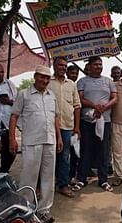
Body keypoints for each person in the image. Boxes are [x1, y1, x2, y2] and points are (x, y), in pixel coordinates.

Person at [9, 65, 63, 223]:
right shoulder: (24, 94)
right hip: (32, 142)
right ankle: (26, 210)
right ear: (35, 76)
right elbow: (13, 116)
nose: (45, 80)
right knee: (28, 178)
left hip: (50, 141)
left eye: (47, 78)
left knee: (48, 177)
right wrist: (12, 139)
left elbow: (56, 118)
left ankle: (43, 210)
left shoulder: (51, 96)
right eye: (42, 77)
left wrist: (59, 137)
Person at [74, 56, 117, 192]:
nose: (99, 66)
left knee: (103, 151)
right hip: (87, 121)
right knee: (85, 150)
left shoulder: (108, 81)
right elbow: (80, 99)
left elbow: (115, 98)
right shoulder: (82, 81)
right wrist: (94, 106)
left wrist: (103, 108)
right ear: (90, 66)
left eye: (100, 64)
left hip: (104, 121)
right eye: (96, 64)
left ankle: (103, 180)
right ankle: (82, 179)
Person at [48, 57, 81, 198]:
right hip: (49, 126)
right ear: (54, 66)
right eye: (60, 65)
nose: (63, 68)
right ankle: (44, 185)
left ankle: (63, 185)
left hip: (67, 126)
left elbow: (77, 106)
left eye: (65, 66)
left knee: (65, 157)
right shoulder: (47, 82)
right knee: (48, 156)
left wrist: (77, 127)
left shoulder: (72, 84)